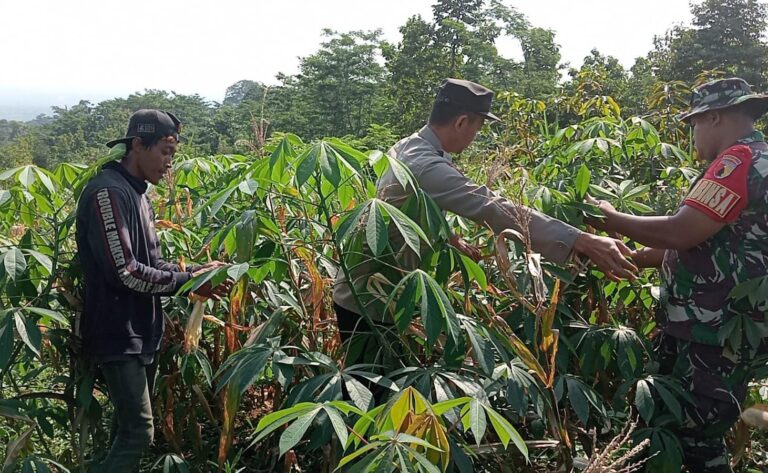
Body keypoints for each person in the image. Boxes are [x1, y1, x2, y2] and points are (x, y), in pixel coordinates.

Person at [332, 78, 637, 352]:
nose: (475, 137)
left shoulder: (411, 144)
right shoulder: (425, 164)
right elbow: (489, 205)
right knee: (373, 387)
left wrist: (450, 237)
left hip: (378, 287)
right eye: (477, 128)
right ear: (462, 122)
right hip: (369, 299)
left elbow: (415, 204)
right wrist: (579, 239)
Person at [588, 77, 768, 472]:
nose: (693, 135)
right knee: (680, 426)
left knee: (696, 437)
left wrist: (609, 218)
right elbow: (704, 241)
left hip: (712, 328)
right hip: (718, 325)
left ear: (714, 117)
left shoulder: (738, 161)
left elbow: (680, 231)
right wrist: (631, 257)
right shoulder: (759, 158)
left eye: (694, 124)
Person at [75, 109, 231, 472]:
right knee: (138, 433)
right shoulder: (107, 193)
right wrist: (187, 282)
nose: (169, 163)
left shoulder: (138, 195)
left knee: (123, 431)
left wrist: (196, 274)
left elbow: (155, 264)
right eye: (164, 152)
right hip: (118, 333)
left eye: (172, 154)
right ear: (137, 145)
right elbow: (126, 273)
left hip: (141, 331)